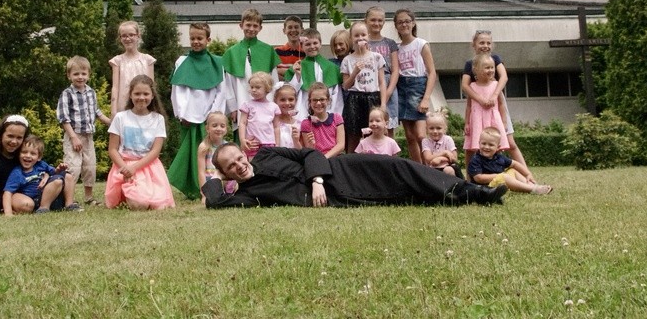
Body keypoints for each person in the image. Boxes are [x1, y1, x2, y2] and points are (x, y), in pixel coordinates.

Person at [202, 143, 507, 208]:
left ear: (245, 153)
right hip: (340, 195)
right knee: (403, 195)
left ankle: (474, 191)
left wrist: (316, 180)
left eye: (239, 158)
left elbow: (310, 154)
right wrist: (212, 174)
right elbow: (215, 203)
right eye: (230, 166)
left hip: (340, 170)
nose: (239, 165)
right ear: (226, 172)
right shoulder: (246, 194)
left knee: (399, 167)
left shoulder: (268, 154)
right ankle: (462, 194)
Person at [167, 22, 226, 200]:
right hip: (189, 116)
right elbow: (177, 91)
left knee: (210, 153)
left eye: (200, 38)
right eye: (192, 38)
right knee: (190, 154)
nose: (196, 42)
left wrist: (214, 116)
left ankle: (211, 185)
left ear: (208, 39)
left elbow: (221, 91)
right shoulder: (182, 61)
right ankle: (192, 188)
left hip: (208, 115)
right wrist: (181, 114)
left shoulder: (217, 62)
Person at [461, 29, 529, 170]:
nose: (485, 46)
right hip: (477, 104)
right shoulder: (470, 64)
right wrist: (479, 99)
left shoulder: (495, 59)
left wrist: (494, 95)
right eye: (481, 42)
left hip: (495, 103)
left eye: (488, 43)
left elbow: (503, 77)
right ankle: (470, 177)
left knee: (509, 142)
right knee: (472, 145)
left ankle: (526, 173)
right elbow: (465, 85)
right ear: (474, 44)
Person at [105, 74, 175, 210]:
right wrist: (125, 169)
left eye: (145, 94)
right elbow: (112, 149)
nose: (141, 98)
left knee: (160, 206)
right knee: (139, 205)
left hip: (149, 167)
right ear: (130, 95)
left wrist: (135, 167)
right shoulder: (120, 117)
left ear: (152, 96)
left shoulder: (158, 119)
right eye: (137, 93)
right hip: (124, 166)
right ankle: (126, 194)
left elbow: (155, 151)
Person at [56, 55, 111, 206]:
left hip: (88, 136)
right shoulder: (67, 94)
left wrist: (111, 123)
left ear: (88, 74)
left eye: (83, 73)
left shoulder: (91, 92)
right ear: (69, 75)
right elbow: (63, 118)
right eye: (76, 74)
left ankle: (89, 197)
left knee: (90, 166)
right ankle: (69, 199)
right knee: (73, 167)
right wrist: (73, 137)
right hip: (73, 135)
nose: (80, 77)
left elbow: (97, 112)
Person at [222, 8, 281, 137]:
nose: (251, 28)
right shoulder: (232, 52)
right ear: (241, 25)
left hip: (266, 104)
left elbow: (274, 80)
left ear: (260, 28)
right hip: (241, 101)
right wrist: (232, 108)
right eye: (248, 25)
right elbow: (228, 83)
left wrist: (275, 105)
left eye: (255, 26)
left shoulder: (267, 50)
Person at [394, 9, 437, 164]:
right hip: (401, 87)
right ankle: (418, 169)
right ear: (396, 26)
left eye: (407, 21)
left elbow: (432, 73)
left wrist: (426, 98)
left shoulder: (421, 44)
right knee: (410, 136)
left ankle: (429, 166)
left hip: (418, 86)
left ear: (413, 23)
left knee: (420, 135)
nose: (404, 24)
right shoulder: (396, 48)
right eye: (400, 22)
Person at [2, 136, 82, 215]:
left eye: (33, 153)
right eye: (24, 152)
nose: (28, 156)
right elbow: (8, 192)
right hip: (33, 199)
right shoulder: (17, 172)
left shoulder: (41, 165)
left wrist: (59, 169)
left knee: (67, 176)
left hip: (51, 196)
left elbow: (54, 173)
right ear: (18, 154)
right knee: (56, 182)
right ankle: (43, 208)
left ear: (39, 157)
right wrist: (8, 213)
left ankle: (69, 204)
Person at [341, 21, 386, 153]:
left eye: (363, 35)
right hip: (354, 98)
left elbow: (382, 82)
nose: (360, 38)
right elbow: (345, 86)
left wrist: (383, 104)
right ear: (351, 38)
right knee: (354, 135)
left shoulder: (377, 57)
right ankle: (351, 165)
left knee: (373, 133)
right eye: (356, 35)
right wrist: (354, 72)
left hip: (373, 97)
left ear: (368, 36)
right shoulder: (347, 60)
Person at [468, 127, 552, 194]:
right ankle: (532, 190)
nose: (486, 147)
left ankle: (533, 186)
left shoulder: (499, 157)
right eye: (483, 143)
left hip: (500, 182)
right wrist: (499, 176)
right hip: (485, 188)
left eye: (491, 145)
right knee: (504, 176)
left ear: (498, 147)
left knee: (513, 170)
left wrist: (528, 174)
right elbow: (478, 178)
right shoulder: (476, 159)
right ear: (479, 143)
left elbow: (515, 164)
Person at [285, 28, 343, 119]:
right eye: (308, 44)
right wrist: (297, 75)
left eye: (315, 43)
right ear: (302, 46)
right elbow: (292, 92)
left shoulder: (331, 67)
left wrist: (335, 115)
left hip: (328, 112)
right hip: (304, 111)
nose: (312, 46)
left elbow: (337, 96)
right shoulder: (298, 67)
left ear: (320, 44)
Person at [0, 115, 31, 215]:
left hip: (27, 192)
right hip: (4, 196)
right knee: (26, 205)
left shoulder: (24, 156)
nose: (14, 141)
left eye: (19, 138)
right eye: (10, 136)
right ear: (1, 135)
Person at [365, 7, 400, 137]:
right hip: (369, 84)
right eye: (373, 20)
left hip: (388, 82)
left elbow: (396, 70)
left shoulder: (390, 43)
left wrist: (389, 91)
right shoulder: (362, 42)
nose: (376, 23)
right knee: (370, 126)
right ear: (366, 21)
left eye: (380, 20)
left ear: (384, 22)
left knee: (388, 126)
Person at [109, 20, 156, 117]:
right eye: (124, 36)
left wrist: (153, 109)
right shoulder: (117, 61)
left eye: (131, 35)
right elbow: (115, 87)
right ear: (120, 38)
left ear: (138, 36)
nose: (128, 38)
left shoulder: (148, 60)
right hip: (123, 108)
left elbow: (152, 86)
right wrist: (113, 111)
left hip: (143, 106)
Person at [239, 71, 281, 160]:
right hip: (252, 142)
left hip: (269, 143)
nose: (253, 90)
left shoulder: (274, 107)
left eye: (257, 87)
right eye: (252, 87)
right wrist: (242, 140)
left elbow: (276, 127)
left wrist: (277, 144)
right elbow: (242, 123)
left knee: (268, 168)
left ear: (267, 88)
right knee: (253, 167)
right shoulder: (247, 105)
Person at [196, 111, 236, 203]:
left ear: (226, 129)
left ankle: (230, 192)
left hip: (225, 179)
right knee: (212, 201)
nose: (219, 129)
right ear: (207, 128)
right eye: (214, 125)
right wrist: (204, 193)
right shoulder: (204, 147)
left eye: (222, 126)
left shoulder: (227, 146)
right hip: (211, 180)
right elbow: (201, 172)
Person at [299, 82, 345, 158]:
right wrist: (311, 145)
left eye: (322, 99)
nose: (318, 103)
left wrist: (325, 157)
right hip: (316, 159)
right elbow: (308, 150)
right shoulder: (306, 123)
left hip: (335, 157)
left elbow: (341, 145)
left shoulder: (337, 118)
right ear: (310, 102)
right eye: (314, 100)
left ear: (328, 100)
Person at [421, 110, 463, 179]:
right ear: (426, 129)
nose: (435, 131)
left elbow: (454, 158)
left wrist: (440, 159)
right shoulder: (425, 141)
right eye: (431, 128)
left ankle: (453, 188)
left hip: (448, 167)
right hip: (432, 169)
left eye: (438, 128)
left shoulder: (448, 139)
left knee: (448, 170)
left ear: (444, 129)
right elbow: (428, 158)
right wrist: (444, 152)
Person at [275, 15, 305, 80]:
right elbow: (273, 74)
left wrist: (282, 71)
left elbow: (305, 74)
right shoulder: (276, 52)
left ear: (302, 30)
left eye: (296, 27)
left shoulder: (306, 53)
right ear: (284, 30)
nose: (293, 30)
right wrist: (294, 72)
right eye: (290, 27)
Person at [274, 84, 301, 149]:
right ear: (275, 101)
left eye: (291, 99)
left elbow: (302, 151)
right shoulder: (272, 124)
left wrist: (296, 141)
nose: (287, 103)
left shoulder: (300, 124)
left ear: (296, 101)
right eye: (282, 100)